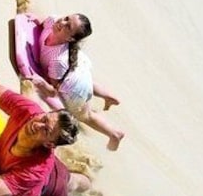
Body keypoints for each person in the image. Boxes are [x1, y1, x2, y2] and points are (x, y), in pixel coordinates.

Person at [21, 11, 125, 151]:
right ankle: (108, 96)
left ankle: (114, 134)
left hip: (76, 90)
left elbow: (53, 91)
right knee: (84, 82)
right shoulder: (53, 21)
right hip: (78, 72)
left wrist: (42, 84)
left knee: (87, 115)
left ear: (70, 39)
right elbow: (39, 21)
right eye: (66, 18)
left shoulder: (58, 60)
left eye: (68, 26)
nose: (61, 23)